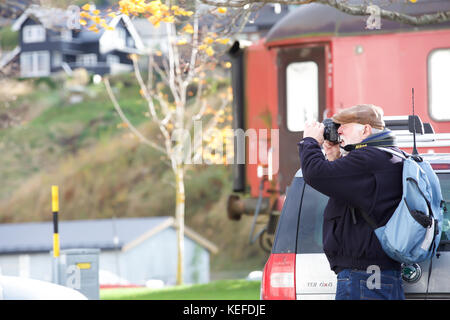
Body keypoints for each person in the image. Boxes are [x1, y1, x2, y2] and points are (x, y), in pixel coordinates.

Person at [298, 104, 405, 300]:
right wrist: (334, 158)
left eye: (344, 126)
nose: (338, 131)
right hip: (378, 276)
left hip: (364, 279)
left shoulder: (370, 158)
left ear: (365, 129)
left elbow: (314, 174)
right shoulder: (388, 156)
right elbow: (350, 193)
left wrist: (310, 141)